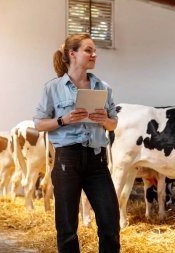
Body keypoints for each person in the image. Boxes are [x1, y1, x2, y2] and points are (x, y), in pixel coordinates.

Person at [33, 32, 120, 253]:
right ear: (73, 54)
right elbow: (39, 124)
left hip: (97, 161)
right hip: (66, 161)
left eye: (94, 51)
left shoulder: (104, 87)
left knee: (110, 222)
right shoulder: (52, 88)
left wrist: (105, 120)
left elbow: (114, 124)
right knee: (67, 228)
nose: (94, 54)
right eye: (88, 50)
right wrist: (64, 120)